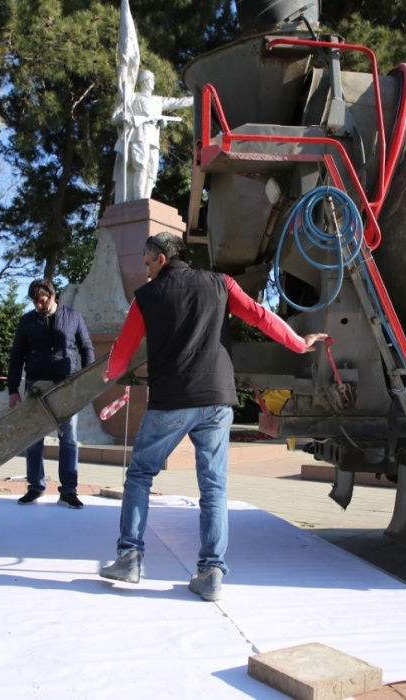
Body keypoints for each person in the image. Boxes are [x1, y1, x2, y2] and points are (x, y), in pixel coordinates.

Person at [99, 232, 327, 600]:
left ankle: (129, 558)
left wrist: (110, 375)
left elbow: (123, 351)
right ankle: (210, 574)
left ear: (160, 258)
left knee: (140, 475)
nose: (145, 271)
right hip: (218, 400)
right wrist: (299, 343)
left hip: (171, 400)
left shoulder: (146, 297)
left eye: (146, 263)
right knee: (213, 488)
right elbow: (259, 316)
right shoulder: (221, 283)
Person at [8, 278, 95, 509]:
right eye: (34, 302)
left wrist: (88, 381)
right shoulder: (27, 321)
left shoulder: (73, 316)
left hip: (67, 384)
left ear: (53, 296)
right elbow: (16, 356)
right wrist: (13, 390)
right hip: (36, 386)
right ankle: (35, 487)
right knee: (34, 437)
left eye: (42, 301)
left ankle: (68, 491)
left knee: (69, 438)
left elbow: (86, 347)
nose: (38, 306)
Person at [112, 69, 193, 203]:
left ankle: (144, 197)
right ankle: (139, 199)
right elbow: (114, 118)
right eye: (151, 79)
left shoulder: (157, 101)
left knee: (151, 172)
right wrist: (123, 116)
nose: (154, 82)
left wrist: (198, 96)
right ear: (144, 81)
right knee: (141, 166)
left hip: (152, 140)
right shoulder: (132, 97)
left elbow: (179, 102)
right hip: (138, 136)